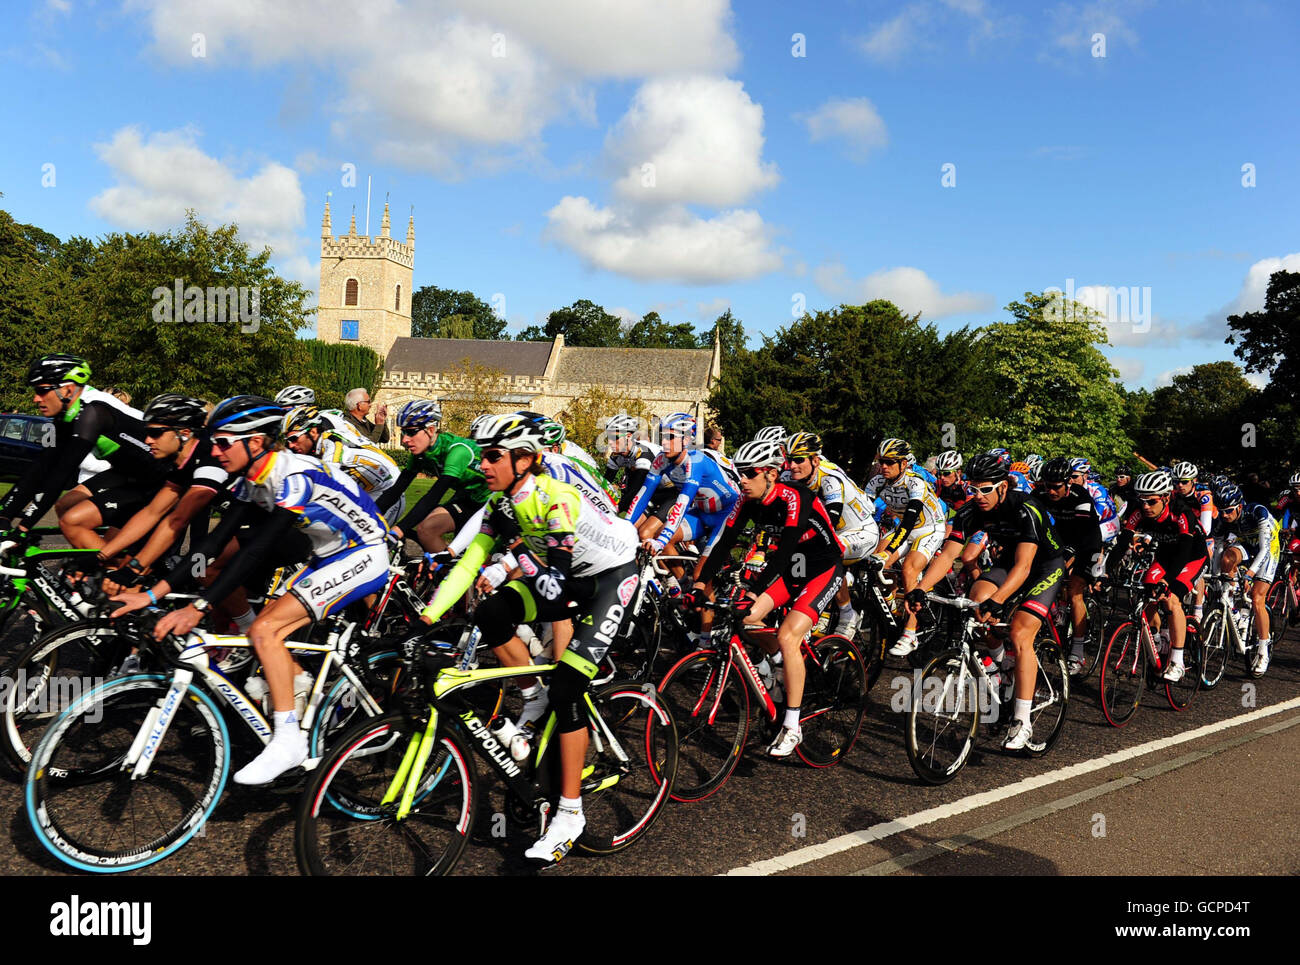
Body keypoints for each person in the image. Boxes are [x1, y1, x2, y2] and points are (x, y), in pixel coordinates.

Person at [112, 396, 393, 784]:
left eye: (224, 442)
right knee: (265, 629)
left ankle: (288, 740)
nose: (214, 450)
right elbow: (211, 545)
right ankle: (300, 689)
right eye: (214, 441)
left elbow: (257, 550)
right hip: (327, 555)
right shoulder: (253, 480)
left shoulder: (294, 479)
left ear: (256, 443)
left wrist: (197, 609)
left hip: (364, 552)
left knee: (264, 630)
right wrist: (151, 594)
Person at [418, 412, 640, 864]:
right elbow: (468, 564)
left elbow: (554, 583)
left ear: (524, 459)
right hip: (563, 577)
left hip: (608, 578)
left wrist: (513, 554)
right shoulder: (503, 504)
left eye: (493, 456)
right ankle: (530, 696)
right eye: (482, 455)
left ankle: (571, 814)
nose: (483, 465)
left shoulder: (554, 497)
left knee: (568, 686)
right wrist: (427, 616)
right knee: (492, 612)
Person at [691, 438, 845, 758]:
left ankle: (792, 724)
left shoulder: (795, 497)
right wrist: (698, 585)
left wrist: (755, 589)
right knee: (744, 618)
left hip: (821, 568)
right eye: (738, 473)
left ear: (771, 474)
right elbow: (722, 545)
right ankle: (777, 669)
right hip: (790, 570)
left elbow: (785, 548)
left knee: (789, 635)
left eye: (749, 473)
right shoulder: (746, 499)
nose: (741, 480)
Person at [909, 453, 1066, 751]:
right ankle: (1000, 667)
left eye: (986, 489)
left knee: (1020, 633)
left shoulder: (1026, 508)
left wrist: (999, 599)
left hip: (1044, 565)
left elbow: (1024, 567)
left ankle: (1022, 721)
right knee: (975, 601)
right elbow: (949, 555)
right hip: (1010, 561)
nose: (978, 496)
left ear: (1003, 487)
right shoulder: (971, 510)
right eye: (973, 488)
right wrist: (921, 588)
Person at [0, 355, 165, 548]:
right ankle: (90, 562)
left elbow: (61, 474)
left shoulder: (93, 412)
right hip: (126, 472)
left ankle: (111, 572)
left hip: (158, 478)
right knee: (65, 505)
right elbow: (41, 467)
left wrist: (23, 529)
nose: (36, 398)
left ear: (67, 389)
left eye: (42, 391)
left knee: (80, 526)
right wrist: (5, 515)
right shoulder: (66, 414)